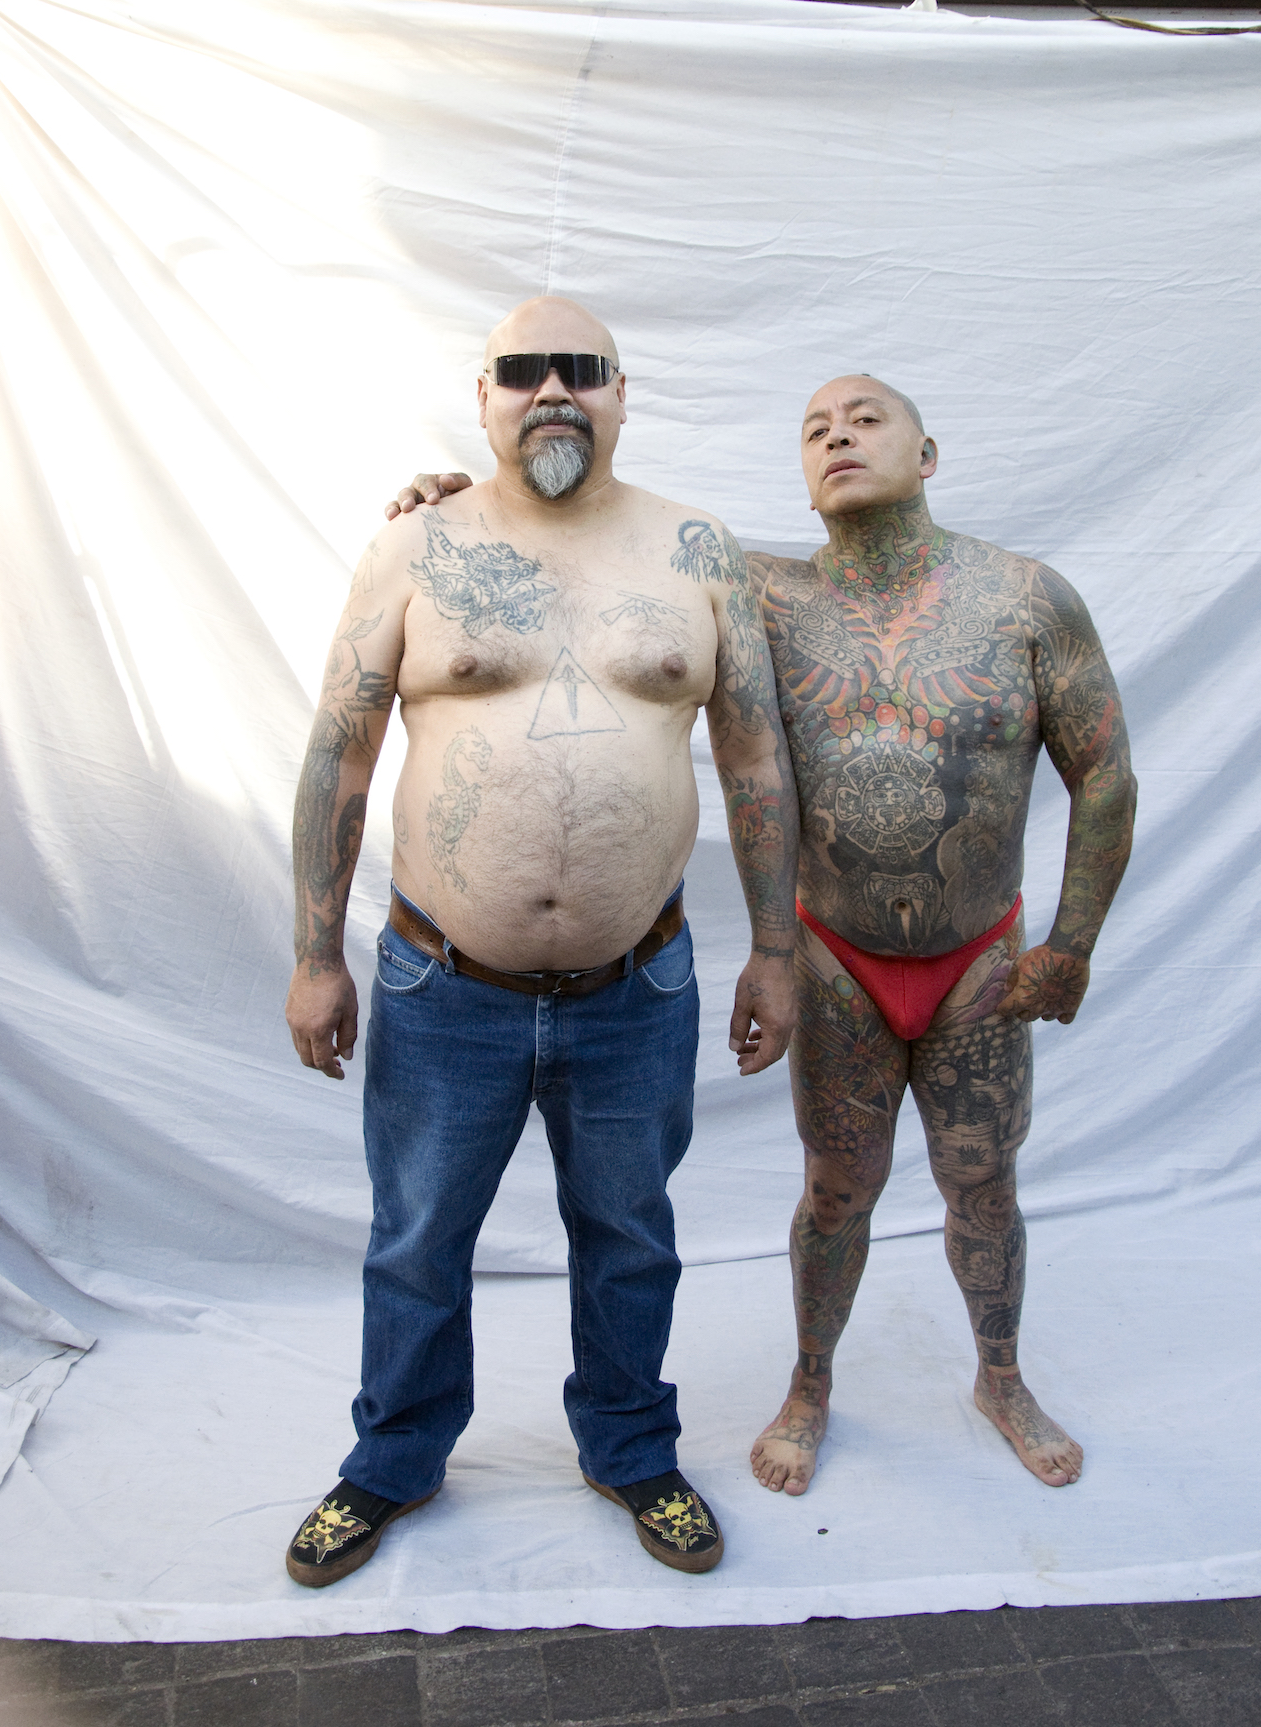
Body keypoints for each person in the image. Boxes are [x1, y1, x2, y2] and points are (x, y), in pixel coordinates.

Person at [392, 370, 1136, 1501]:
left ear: (927, 453)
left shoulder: (1026, 598)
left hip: (980, 954)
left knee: (983, 1182)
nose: (838, 436)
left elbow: (1104, 773)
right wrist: (477, 503)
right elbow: (601, 553)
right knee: (836, 1188)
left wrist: (1071, 942)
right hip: (833, 956)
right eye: (815, 428)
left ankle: (1001, 1377)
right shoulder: (759, 591)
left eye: (866, 420)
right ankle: (809, 1384)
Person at [283, 297, 797, 1587]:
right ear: (484, 397)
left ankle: (630, 1448)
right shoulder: (416, 544)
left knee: (629, 1232)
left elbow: (754, 761)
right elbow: (340, 753)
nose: (552, 388)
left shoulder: (696, 548)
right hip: (442, 980)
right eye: (523, 369)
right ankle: (391, 1459)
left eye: (582, 368)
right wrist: (314, 953)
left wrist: (775, 949)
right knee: (416, 1238)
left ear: (622, 393)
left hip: (639, 982)